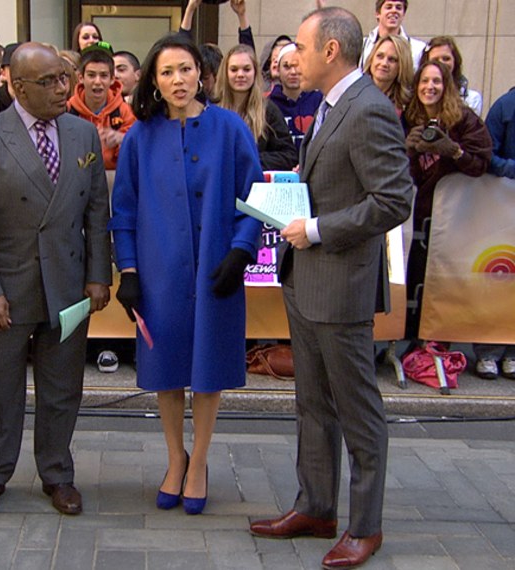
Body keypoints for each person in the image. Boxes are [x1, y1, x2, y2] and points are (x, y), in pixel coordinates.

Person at [249, 8, 413, 570]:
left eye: (300, 44)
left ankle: (365, 528)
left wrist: (316, 228)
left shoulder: (367, 109)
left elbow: (393, 200)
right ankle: (315, 507)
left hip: (340, 287)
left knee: (357, 410)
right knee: (311, 405)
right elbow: (335, 180)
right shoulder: (330, 103)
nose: (291, 54)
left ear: (331, 52)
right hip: (307, 280)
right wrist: (295, 193)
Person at [0, 42, 111, 518]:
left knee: (62, 386)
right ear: (16, 86)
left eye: (65, 77)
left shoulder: (82, 135)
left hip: (67, 285)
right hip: (8, 287)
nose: (64, 88)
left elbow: (95, 212)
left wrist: (98, 275)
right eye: (49, 82)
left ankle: (57, 473)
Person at [110, 33, 263, 516]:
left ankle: (199, 462)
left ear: (202, 73)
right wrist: (128, 272)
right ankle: (174, 457)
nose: (178, 80)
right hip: (159, 274)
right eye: (167, 72)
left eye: (186, 69)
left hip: (217, 268)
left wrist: (241, 251)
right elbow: (125, 210)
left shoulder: (230, 129)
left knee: (209, 370)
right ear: (153, 81)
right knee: (167, 370)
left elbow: (254, 198)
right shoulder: (140, 135)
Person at [404, 61, 492, 342]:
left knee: (443, 282)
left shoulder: (463, 120)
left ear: (447, 86)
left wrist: (453, 151)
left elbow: (482, 163)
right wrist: (407, 149)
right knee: (413, 279)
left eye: (437, 82)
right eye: (425, 81)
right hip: (414, 217)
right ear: (416, 86)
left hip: (452, 220)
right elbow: (392, 167)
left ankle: (439, 342)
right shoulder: (408, 118)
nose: (430, 87)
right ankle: (411, 339)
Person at [473, 88, 515, 379]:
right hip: (501, 208)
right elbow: (488, 155)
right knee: (496, 276)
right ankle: (488, 352)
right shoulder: (505, 107)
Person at [216, 43, 298, 171]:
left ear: (255, 72)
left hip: (255, 185)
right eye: (234, 69)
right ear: (225, 73)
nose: (240, 74)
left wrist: (249, 160)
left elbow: (289, 155)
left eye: (247, 69)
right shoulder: (212, 109)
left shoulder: (268, 110)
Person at [67, 45, 136, 170]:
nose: (97, 81)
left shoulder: (124, 111)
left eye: (104, 75)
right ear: (81, 78)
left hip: (111, 177)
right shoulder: (68, 111)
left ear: (112, 79)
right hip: (75, 177)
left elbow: (136, 153)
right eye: (91, 75)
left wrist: (122, 140)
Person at [268, 42, 323, 150]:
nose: (293, 72)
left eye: (297, 66)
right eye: (287, 66)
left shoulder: (320, 101)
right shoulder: (268, 105)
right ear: (278, 70)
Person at [420, 36, 482, 116]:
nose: (441, 63)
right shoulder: (417, 98)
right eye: (435, 60)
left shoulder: (471, 99)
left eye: (446, 59)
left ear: (455, 61)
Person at [360, 0, 425, 70]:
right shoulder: (362, 45)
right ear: (377, 13)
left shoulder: (418, 49)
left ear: (403, 14)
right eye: (389, 7)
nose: (394, 11)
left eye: (398, 8)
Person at [363, 35, 413, 122]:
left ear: (402, 66)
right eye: (380, 56)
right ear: (371, 58)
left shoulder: (408, 106)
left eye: (392, 59)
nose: (384, 63)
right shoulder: (354, 92)